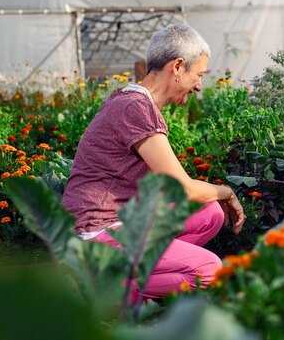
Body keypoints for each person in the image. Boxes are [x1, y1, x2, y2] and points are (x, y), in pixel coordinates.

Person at [61, 23, 245, 299]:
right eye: (199, 74)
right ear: (178, 67)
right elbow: (184, 188)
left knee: (210, 213)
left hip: (122, 219)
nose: (199, 85)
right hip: (96, 232)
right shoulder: (135, 107)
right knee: (209, 269)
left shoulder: (132, 101)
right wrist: (228, 192)